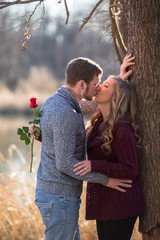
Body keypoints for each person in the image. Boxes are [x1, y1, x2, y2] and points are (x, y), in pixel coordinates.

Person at [31, 54, 135, 240]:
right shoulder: (66, 112)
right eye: (97, 82)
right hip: (59, 197)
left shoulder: (59, 101)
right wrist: (106, 180)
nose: (97, 87)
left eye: (101, 84)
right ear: (82, 85)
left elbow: (100, 102)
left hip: (57, 196)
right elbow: (65, 164)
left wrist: (119, 83)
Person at [74, 76, 145, 240]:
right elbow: (75, 141)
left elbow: (130, 169)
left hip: (121, 202)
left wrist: (94, 165)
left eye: (105, 85)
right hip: (106, 201)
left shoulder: (122, 128)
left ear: (116, 97)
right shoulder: (98, 123)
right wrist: (44, 135)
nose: (98, 86)